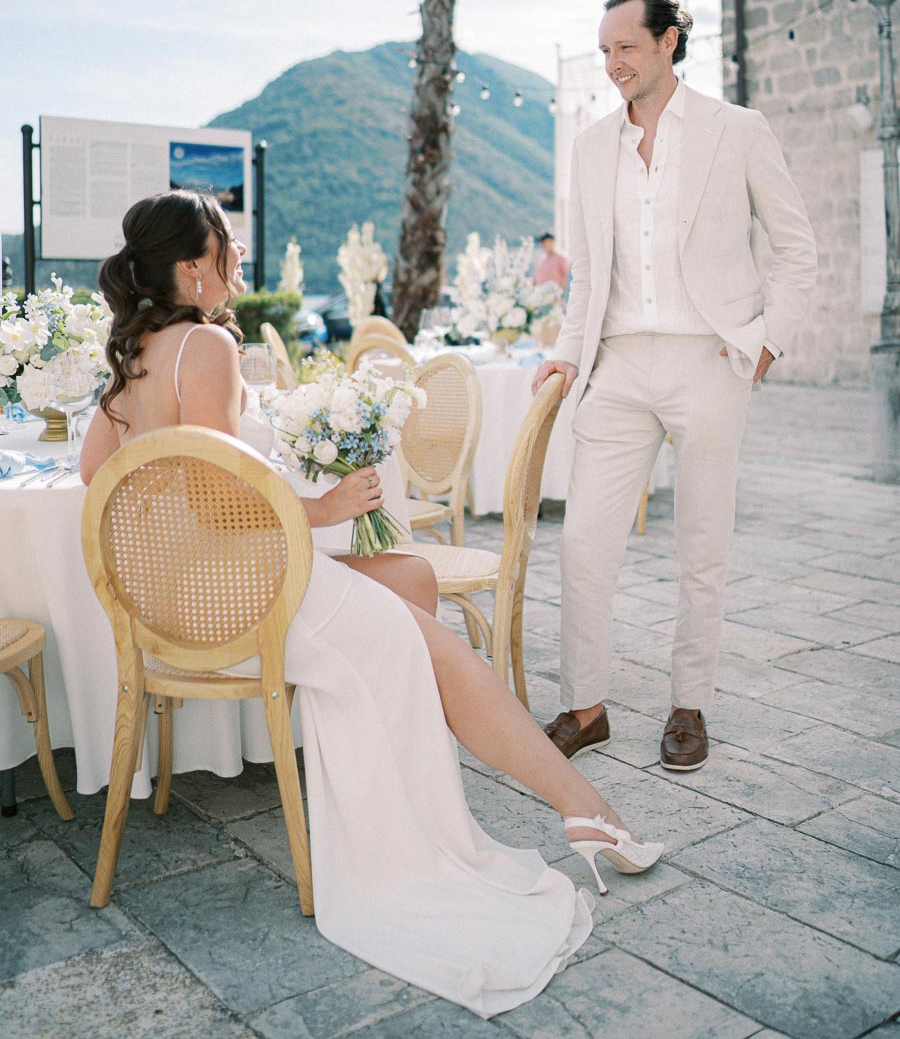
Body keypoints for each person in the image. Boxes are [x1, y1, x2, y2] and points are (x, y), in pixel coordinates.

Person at [81, 189, 664, 1019]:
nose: (238, 252)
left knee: (410, 586)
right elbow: (220, 501)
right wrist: (321, 510)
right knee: (433, 646)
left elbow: (91, 478)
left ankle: (444, 792)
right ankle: (586, 810)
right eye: (226, 242)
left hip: (178, 599)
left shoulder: (136, 353)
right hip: (244, 593)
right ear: (191, 266)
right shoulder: (204, 345)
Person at [533, 0, 817, 773]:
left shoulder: (738, 131)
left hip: (710, 359)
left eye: (625, 46)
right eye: (604, 51)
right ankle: (586, 707)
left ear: (667, 43)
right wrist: (566, 351)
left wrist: (763, 346)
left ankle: (689, 704)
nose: (612, 63)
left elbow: (797, 250)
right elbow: (585, 276)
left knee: (703, 545)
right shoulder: (591, 148)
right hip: (619, 364)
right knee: (585, 541)